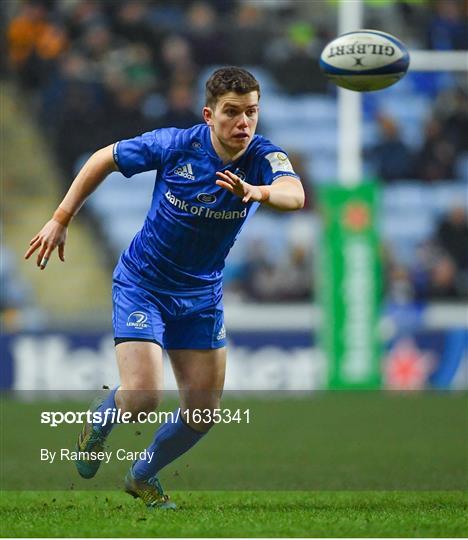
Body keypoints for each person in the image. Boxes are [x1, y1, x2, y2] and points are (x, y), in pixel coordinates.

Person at [24, 66, 305, 509]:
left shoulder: (263, 157)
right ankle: (99, 421)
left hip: (201, 297)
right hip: (145, 284)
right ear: (208, 114)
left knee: (202, 414)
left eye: (251, 112)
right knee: (143, 397)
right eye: (232, 113)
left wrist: (258, 191)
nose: (244, 123)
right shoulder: (176, 145)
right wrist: (61, 219)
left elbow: (294, 193)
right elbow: (103, 158)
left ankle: (142, 476)